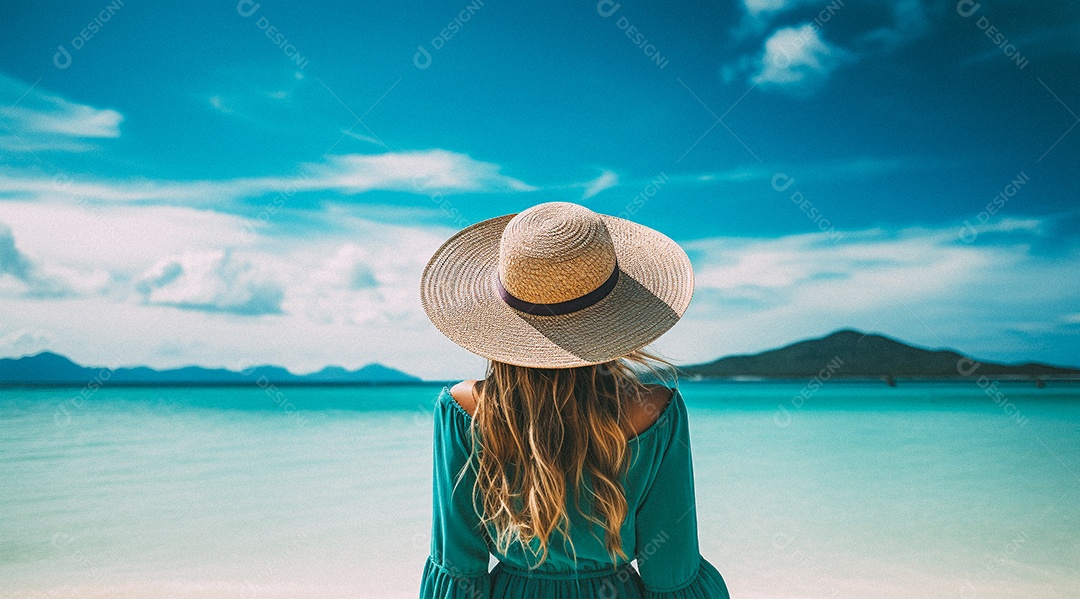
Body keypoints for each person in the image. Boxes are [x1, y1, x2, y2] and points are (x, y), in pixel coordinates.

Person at [418, 201, 730, 598]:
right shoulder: (655, 411)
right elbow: (670, 569)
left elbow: (459, 567)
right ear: (615, 317)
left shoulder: (463, 409)